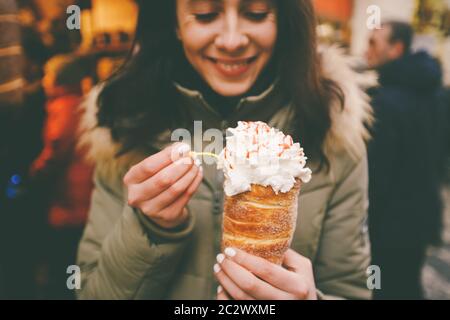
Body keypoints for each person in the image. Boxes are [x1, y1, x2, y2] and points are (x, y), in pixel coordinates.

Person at [77, 0, 375, 300]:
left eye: (256, 14)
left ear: (284, 19)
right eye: (205, 15)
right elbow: (91, 294)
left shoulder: (332, 131)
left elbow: (350, 288)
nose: (232, 40)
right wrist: (147, 230)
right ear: (174, 23)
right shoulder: (125, 127)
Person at [365, 21, 445, 299]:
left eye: (374, 43)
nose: (367, 51)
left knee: (384, 288)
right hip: (421, 216)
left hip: (389, 224)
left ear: (396, 48)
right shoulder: (434, 92)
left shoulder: (385, 101)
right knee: (407, 284)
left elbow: (377, 173)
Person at [30, 54, 94, 299]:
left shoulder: (64, 107)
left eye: (47, 75)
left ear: (58, 78)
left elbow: (56, 149)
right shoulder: (78, 101)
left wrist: (34, 172)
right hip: (80, 193)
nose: (44, 80)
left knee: (65, 258)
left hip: (70, 198)